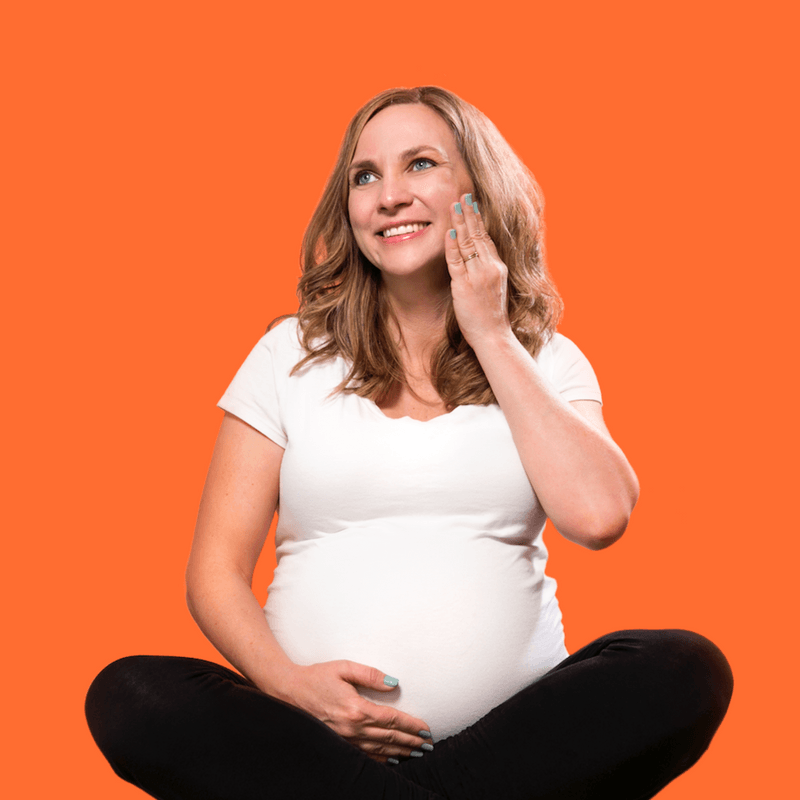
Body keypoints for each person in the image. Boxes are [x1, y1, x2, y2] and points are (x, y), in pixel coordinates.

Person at [85, 86, 733, 799]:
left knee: (685, 668)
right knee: (130, 693)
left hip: (505, 749)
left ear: (479, 189)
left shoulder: (545, 359)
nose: (389, 196)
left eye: (420, 164)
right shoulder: (288, 354)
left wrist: (491, 334)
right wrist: (294, 688)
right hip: (312, 742)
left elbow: (599, 517)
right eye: (365, 176)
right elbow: (213, 573)